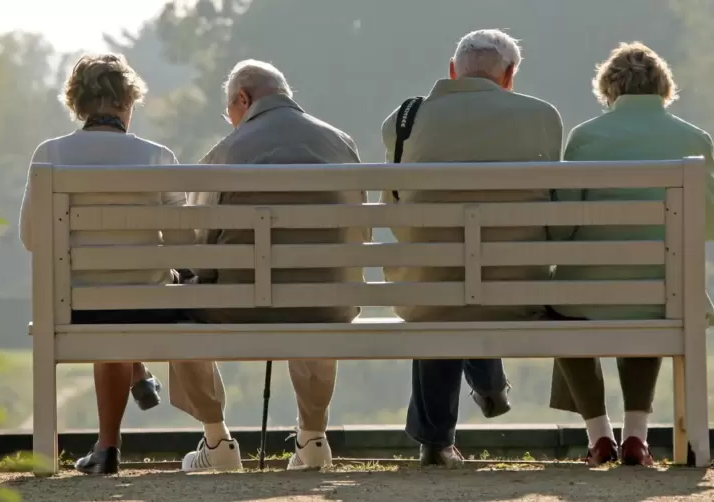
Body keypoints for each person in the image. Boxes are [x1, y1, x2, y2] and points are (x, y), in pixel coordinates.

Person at [380, 29, 563, 467]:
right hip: (516, 290)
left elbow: (394, 208)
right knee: (482, 269)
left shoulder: (402, 120)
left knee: (440, 282)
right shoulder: (542, 117)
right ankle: (489, 384)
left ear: (452, 71)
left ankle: (436, 442)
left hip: (429, 288)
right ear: (509, 75)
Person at [176, 59, 368, 472]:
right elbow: (358, 234)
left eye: (231, 112)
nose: (232, 123)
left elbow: (198, 250)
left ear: (242, 99)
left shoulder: (225, 153)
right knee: (320, 287)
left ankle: (216, 441)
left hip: (237, 306)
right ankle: (313, 438)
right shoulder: (340, 144)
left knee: (178, 304)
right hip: (328, 305)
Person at [19, 53, 196, 474]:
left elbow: (31, 238)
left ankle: (108, 446)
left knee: (105, 301)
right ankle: (125, 399)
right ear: (126, 101)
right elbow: (184, 245)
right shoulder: (157, 156)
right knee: (130, 297)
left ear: (78, 103)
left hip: (76, 304)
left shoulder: (50, 155)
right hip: (146, 303)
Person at [549, 42, 714, 467]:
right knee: (655, 296)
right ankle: (636, 438)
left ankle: (599, 436)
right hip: (664, 293)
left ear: (610, 87)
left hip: (586, 297)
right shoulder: (695, 141)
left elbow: (562, 227)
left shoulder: (584, 137)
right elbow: (707, 226)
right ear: (663, 86)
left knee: (559, 307)